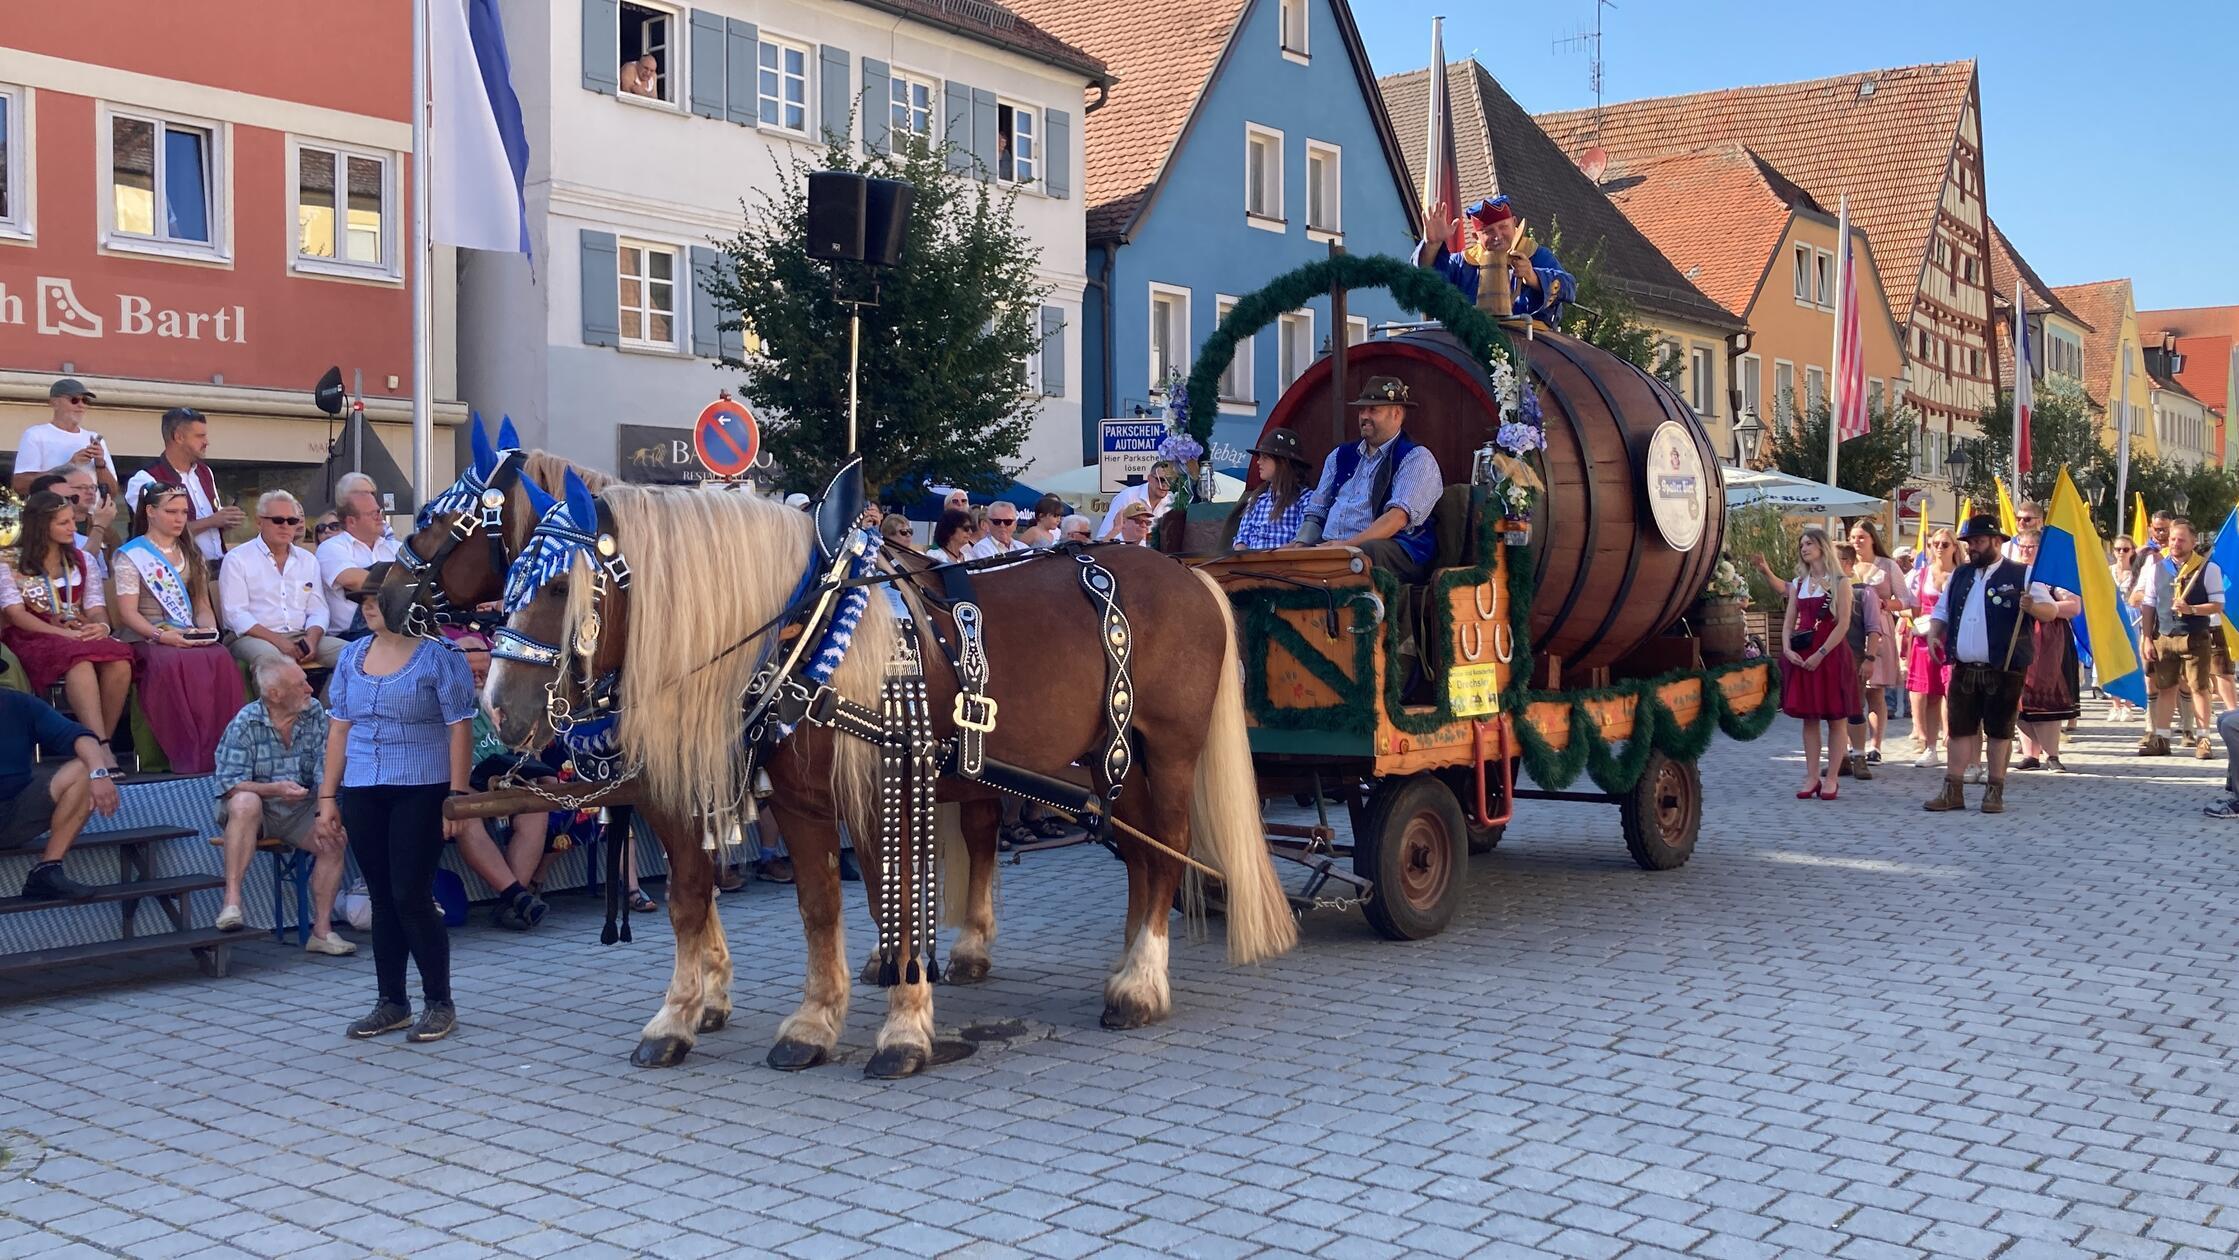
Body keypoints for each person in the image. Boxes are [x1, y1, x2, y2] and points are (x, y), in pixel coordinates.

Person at [319, 564, 476, 1043]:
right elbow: (339, 727)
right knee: (381, 896)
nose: (366, 606)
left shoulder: (440, 656)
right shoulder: (352, 656)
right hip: (364, 787)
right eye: (362, 600)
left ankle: (438, 1002)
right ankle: (391, 1002)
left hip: (422, 787)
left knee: (411, 894)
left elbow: (460, 726)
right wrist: (328, 795)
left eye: (376, 599)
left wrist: (457, 794)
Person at [210, 657, 353, 952]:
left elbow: (326, 765)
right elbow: (227, 783)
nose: (310, 689)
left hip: (299, 807)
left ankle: (322, 933)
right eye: (300, 684)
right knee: (246, 801)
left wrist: (324, 808)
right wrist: (272, 789)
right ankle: (232, 902)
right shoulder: (245, 722)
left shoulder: (313, 713)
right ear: (274, 694)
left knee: (333, 838)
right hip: (255, 812)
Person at [112, 486, 244, 774]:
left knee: (219, 656)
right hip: (145, 636)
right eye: (171, 511)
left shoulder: (189, 551)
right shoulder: (132, 555)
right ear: (150, 511)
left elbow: (201, 604)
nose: (179, 519)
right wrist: (161, 635)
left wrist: (207, 631)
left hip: (184, 631)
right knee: (172, 661)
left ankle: (221, 751)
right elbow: (127, 613)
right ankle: (183, 754)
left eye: (184, 512)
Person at [0, 492, 134, 754]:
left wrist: (101, 627)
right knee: (79, 661)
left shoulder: (82, 560)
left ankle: (101, 743)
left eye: (73, 520)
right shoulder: (8, 562)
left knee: (119, 659)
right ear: (41, 526)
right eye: (64, 523)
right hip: (32, 633)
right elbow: (16, 614)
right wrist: (61, 634)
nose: (73, 528)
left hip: (76, 630)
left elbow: (95, 606)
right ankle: (95, 747)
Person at [1922, 515, 2037, 814]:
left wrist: (2034, 606)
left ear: (1997, 541)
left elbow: (2050, 610)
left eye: (1979, 541)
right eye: (1970, 542)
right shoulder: (1960, 575)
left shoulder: (2022, 574)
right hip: (1963, 666)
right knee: (1959, 730)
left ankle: (1994, 791)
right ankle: (1952, 790)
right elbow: (1941, 610)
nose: (1972, 547)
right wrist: (1935, 633)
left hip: (2004, 667)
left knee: (1999, 731)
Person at [1295, 376, 1442, 582]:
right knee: (1291, 559)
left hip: (1396, 548)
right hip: (1337, 547)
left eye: (1373, 410)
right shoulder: (1340, 455)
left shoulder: (1416, 457)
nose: (1364, 416)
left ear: (1396, 414)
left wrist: (1348, 546)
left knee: (1368, 551)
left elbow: (1397, 518)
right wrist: (1299, 546)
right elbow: (1316, 512)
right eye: (1361, 410)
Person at [453, 633, 552, 931]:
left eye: (484, 672)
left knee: (535, 808)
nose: (479, 679)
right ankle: (517, 897)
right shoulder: (447, 702)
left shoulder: (498, 699)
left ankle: (514, 901)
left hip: (503, 778)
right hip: (459, 782)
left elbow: (521, 747)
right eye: (473, 674)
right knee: (467, 812)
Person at [1, 689, 122, 900]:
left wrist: (99, 772)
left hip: (16, 811)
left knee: (84, 769)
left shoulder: (19, 703)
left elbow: (79, 735)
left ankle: (47, 871)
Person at [222, 491, 344, 671]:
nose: (285, 526)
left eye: (292, 521)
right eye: (278, 520)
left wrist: (312, 639)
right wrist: (279, 641)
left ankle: (323, 700)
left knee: (354, 656)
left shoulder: (308, 560)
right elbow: (236, 615)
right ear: (259, 522)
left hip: (301, 635)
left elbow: (318, 609)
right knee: (272, 661)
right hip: (252, 637)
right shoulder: (237, 559)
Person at [1781, 527, 1857, 800]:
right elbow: (1790, 620)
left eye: (1809, 543)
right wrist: (1787, 648)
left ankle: (1832, 777)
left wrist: (1821, 652)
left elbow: (1844, 623)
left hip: (1831, 654)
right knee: (1809, 717)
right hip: (1803, 654)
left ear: (1823, 547)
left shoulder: (1840, 582)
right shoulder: (1798, 583)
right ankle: (1811, 775)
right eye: (1802, 544)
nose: (1804, 548)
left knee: (1837, 717)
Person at [1414, 196, 1573, 324]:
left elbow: (1570, 287)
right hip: (1470, 343)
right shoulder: (1462, 264)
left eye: (1503, 226)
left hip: (1529, 341)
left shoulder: (1536, 255)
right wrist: (1432, 245)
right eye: (1488, 231)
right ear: (1476, 236)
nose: (1497, 236)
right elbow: (1425, 283)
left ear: (1515, 223)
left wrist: (1532, 277)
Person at [2139, 517, 2222, 759]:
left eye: (2181, 539)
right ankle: (2162, 738)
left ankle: (2203, 738)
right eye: (2173, 539)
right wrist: (2146, 637)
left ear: (2193, 541)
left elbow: (2217, 605)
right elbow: (2148, 605)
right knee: (2166, 687)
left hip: (2194, 636)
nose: (2175, 543)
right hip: (2164, 636)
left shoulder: (2207, 568)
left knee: (2199, 687)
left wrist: (2192, 610)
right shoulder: (2157, 569)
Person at [122, 407, 238, 569]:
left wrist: (224, 520)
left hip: (220, 566)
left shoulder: (205, 472)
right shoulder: (146, 479)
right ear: (179, 437)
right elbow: (156, 534)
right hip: (177, 573)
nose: (206, 442)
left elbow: (209, 524)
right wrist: (212, 521)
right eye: (200, 436)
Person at [2008, 530, 2081, 772]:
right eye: (2023, 546)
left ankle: (2052, 754)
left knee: (2048, 696)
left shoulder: (2053, 575)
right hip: (2018, 636)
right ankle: (2030, 753)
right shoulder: (2014, 573)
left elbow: (2073, 607)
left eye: (2031, 547)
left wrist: (2042, 607)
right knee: (2019, 695)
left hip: (2050, 640)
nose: (2026, 551)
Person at [1847, 519, 1908, 764]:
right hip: (1851, 630)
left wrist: (1885, 604)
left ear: (1872, 538)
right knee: (1851, 690)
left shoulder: (1887, 565)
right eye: (1853, 537)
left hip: (1879, 629)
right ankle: (1853, 744)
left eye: (1861, 537)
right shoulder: (1846, 565)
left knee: (1875, 691)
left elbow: (1906, 600)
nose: (1856, 542)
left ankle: (1876, 745)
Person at [11, 378, 120, 497]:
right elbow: (20, 485)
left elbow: (112, 493)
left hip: (90, 514)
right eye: (74, 400)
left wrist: (100, 464)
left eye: (85, 400)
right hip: (53, 512)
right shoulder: (36, 435)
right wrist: (69, 467)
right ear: (55, 402)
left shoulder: (94, 438)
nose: (81, 405)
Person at [1906, 528, 1960, 766]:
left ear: (1955, 548)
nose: (1939, 547)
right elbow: (1910, 606)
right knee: (1930, 694)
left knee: (1955, 693)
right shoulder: (1921, 574)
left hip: (1954, 637)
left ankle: (1954, 742)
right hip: (1925, 639)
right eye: (1935, 543)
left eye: (1945, 544)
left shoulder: (1961, 574)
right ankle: (1930, 746)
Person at [1831, 541, 1885, 781]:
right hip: (1829, 658)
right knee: (1833, 710)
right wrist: (1766, 571)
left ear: (1847, 563)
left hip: (1854, 657)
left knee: (1854, 708)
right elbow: (1788, 589)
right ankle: (1840, 758)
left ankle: (1859, 757)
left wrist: (1870, 659)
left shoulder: (1864, 592)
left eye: (1832, 558)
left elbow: (1874, 629)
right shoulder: (1824, 589)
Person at [316, 490, 400, 634]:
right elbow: (357, 581)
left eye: (379, 512)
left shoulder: (395, 548)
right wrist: (405, 582)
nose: (380, 518)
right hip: (353, 635)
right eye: (372, 514)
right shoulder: (331, 548)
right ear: (351, 521)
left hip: (395, 629)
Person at [1228, 429, 1312, 551]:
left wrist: (1268, 557)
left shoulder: (1306, 499)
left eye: (1265, 457)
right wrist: (1242, 555)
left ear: (1283, 463)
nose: (1258, 462)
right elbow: (1242, 538)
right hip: (1249, 566)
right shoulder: (1256, 499)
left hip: (1285, 565)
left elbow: (1300, 543)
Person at [59, 464, 120, 583]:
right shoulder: (53, 528)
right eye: (82, 487)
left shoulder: (108, 530)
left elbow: (116, 571)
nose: (90, 492)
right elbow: (77, 568)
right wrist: (99, 527)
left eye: (93, 487)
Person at [2108, 535, 2145, 722]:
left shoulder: (2137, 573)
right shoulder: (2108, 571)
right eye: (2117, 549)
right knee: (2113, 661)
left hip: (2132, 617)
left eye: (2125, 549)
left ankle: (2128, 705)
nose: (2121, 553)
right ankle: (2115, 705)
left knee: (2131, 661)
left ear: (2132, 551)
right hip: (2112, 617)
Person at [1098, 460, 1179, 540]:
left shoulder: (1173, 502)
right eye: (1161, 480)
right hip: (1126, 551)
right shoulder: (1127, 496)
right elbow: (1103, 537)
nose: (1165, 485)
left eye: (1170, 481)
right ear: (1149, 478)